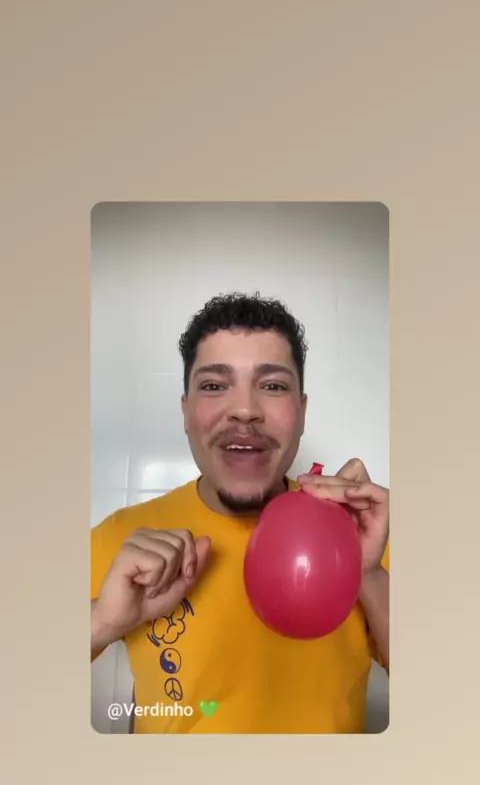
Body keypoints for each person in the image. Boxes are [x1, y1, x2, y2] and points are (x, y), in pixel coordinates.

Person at [91, 292, 389, 734]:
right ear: (186, 411)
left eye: (273, 385)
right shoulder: (121, 536)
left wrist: (367, 573)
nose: (246, 410)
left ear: (302, 412)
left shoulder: (359, 532)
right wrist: (102, 622)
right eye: (214, 385)